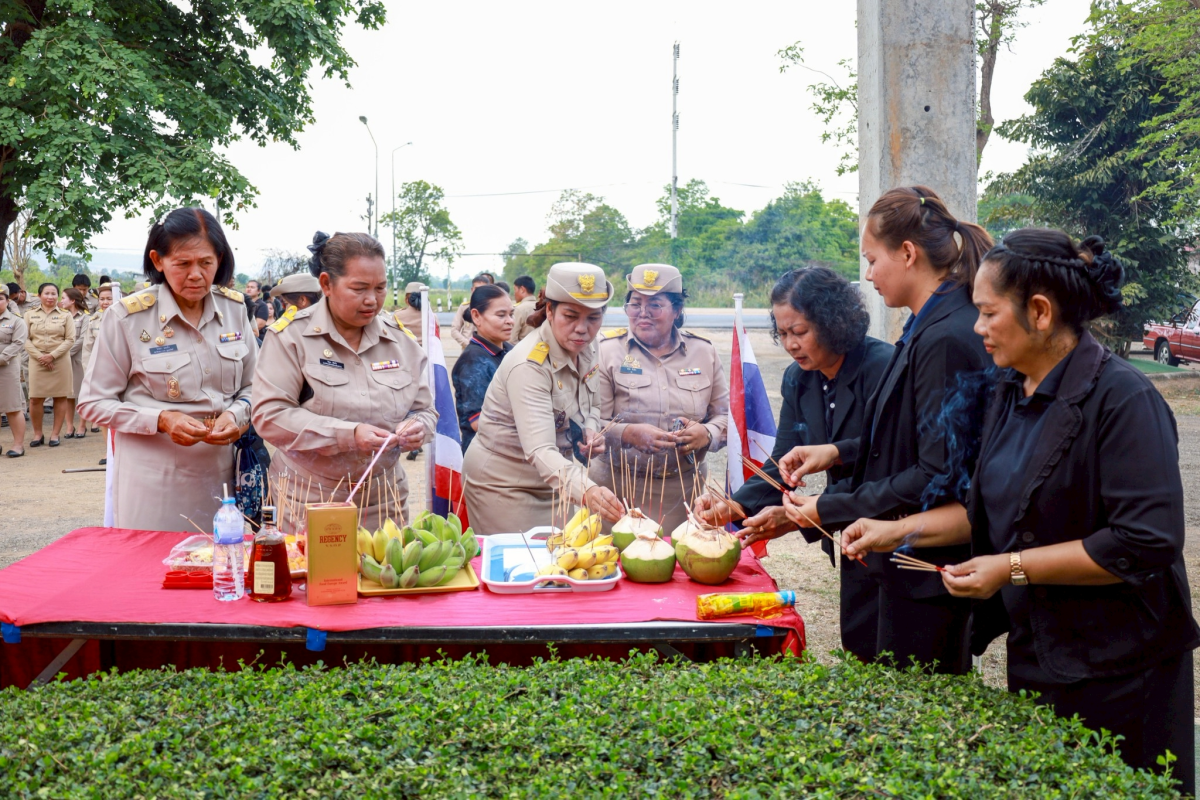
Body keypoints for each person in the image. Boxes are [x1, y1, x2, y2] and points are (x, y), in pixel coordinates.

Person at [840, 229, 1198, 794]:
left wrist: (1009, 568)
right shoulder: (1011, 390)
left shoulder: (1123, 399)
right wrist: (896, 531)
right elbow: (983, 511)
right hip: (1040, 651)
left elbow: (1143, 541)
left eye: (988, 313)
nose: (977, 327)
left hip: (1122, 667)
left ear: (1039, 312)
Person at [779, 186, 994, 675]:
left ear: (908, 253)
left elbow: (937, 474)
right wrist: (837, 453)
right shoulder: (927, 324)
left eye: (872, 260)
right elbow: (907, 441)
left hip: (924, 571)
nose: (869, 274)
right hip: (898, 561)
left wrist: (830, 506)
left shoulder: (945, 336)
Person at [693, 267, 893, 658]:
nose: (790, 344)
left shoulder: (884, 368)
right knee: (861, 647)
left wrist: (803, 513)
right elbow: (779, 461)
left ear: (834, 323)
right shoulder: (799, 379)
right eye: (782, 333)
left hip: (897, 525)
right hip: (851, 534)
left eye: (799, 332)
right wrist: (736, 505)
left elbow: (887, 457)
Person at [78, 207, 256, 532]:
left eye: (206, 263)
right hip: (153, 485)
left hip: (224, 481)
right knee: (154, 562)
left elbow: (255, 386)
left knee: (220, 558)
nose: (196, 274)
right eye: (183, 264)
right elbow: (93, 402)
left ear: (219, 259)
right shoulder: (128, 318)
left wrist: (236, 415)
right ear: (158, 261)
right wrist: (160, 419)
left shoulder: (234, 310)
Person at [252, 232, 436, 532]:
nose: (372, 300)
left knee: (384, 564)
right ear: (326, 284)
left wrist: (418, 427)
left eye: (380, 288)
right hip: (309, 500)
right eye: (359, 288)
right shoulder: (291, 338)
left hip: (384, 501)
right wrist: (348, 435)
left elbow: (425, 409)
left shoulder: (400, 340)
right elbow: (270, 416)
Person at [463, 262, 625, 535]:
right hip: (504, 483)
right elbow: (539, 450)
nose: (582, 329)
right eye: (570, 316)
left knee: (562, 555)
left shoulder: (589, 346)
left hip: (558, 478)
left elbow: (593, 404)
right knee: (526, 558)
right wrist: (588, 490)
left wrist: (590, 430)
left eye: (593, 318)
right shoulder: (530, 364)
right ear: (549, 310)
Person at [589, 264, 728, 533]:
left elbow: (726, 416)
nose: (643, 313)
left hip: (682, 494)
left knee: (679, 557)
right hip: (615, 492)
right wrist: (628, 434)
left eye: (655, 304)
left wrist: (706, 434)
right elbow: (590, 422)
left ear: (677, 310)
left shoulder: (703, 352)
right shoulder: (605, 352)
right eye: (635, 304)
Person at [452, 284, 514, 453]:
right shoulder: (473, 361)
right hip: (487, 456)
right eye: (501, 315)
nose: (510, 321)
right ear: (476, 317)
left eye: (511, 314)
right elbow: (479, 422)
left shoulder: (511, 351)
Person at [24, 283, 75, 447]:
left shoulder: (66, 315)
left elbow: (70, 339)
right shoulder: (29, 315)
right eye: (47, 293)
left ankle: (55, 434)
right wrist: (41, 357)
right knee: (35, 399)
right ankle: (38, 434)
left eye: (54, 294)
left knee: (60, 396)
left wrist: (52, 356)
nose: (50, 297)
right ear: (39, 296)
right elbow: (24, 339)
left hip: (59, 360)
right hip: (37, 360)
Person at [81, 283, 115, 436]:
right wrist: (89, 372)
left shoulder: (127, 318)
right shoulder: (94, 320)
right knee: (105, 409)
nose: (105, 302)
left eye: (109, 298)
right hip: (100, 371)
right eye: (102, 299)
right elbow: (87, 349)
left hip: (120, 371)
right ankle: (108, 448)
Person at [0, 285, 28, 456]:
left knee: (12, 406)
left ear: (7, 301)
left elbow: (18, 343)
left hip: (7, 367)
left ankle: (18, 445)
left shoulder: (16, 321)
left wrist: (1, 358)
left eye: (0, 298)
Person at [60, 287, 90, 438]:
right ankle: (69, 426)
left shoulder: (85, 317)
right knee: (68, 395)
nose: (61, 301)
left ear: (72, 300)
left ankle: (82, 425)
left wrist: (64, 353)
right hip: (64, 361)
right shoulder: (61, 316)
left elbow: (83, 339)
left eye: (63, 298)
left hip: (79, 360)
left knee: (82, 395)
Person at [451, 274, 493, 348]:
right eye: (476, 289)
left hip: (487, 350)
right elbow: (454, 330)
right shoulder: (464, 307)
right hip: (468, 349)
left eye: (482, 289)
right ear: (472, 289)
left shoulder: (492, 308)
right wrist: (468, 344)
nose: (479, 292)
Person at [510, 275, 538, 344]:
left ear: (522, 289)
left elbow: (511, 340)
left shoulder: (519, 309)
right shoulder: (544, 307)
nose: (514, 293)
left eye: (515, 289)